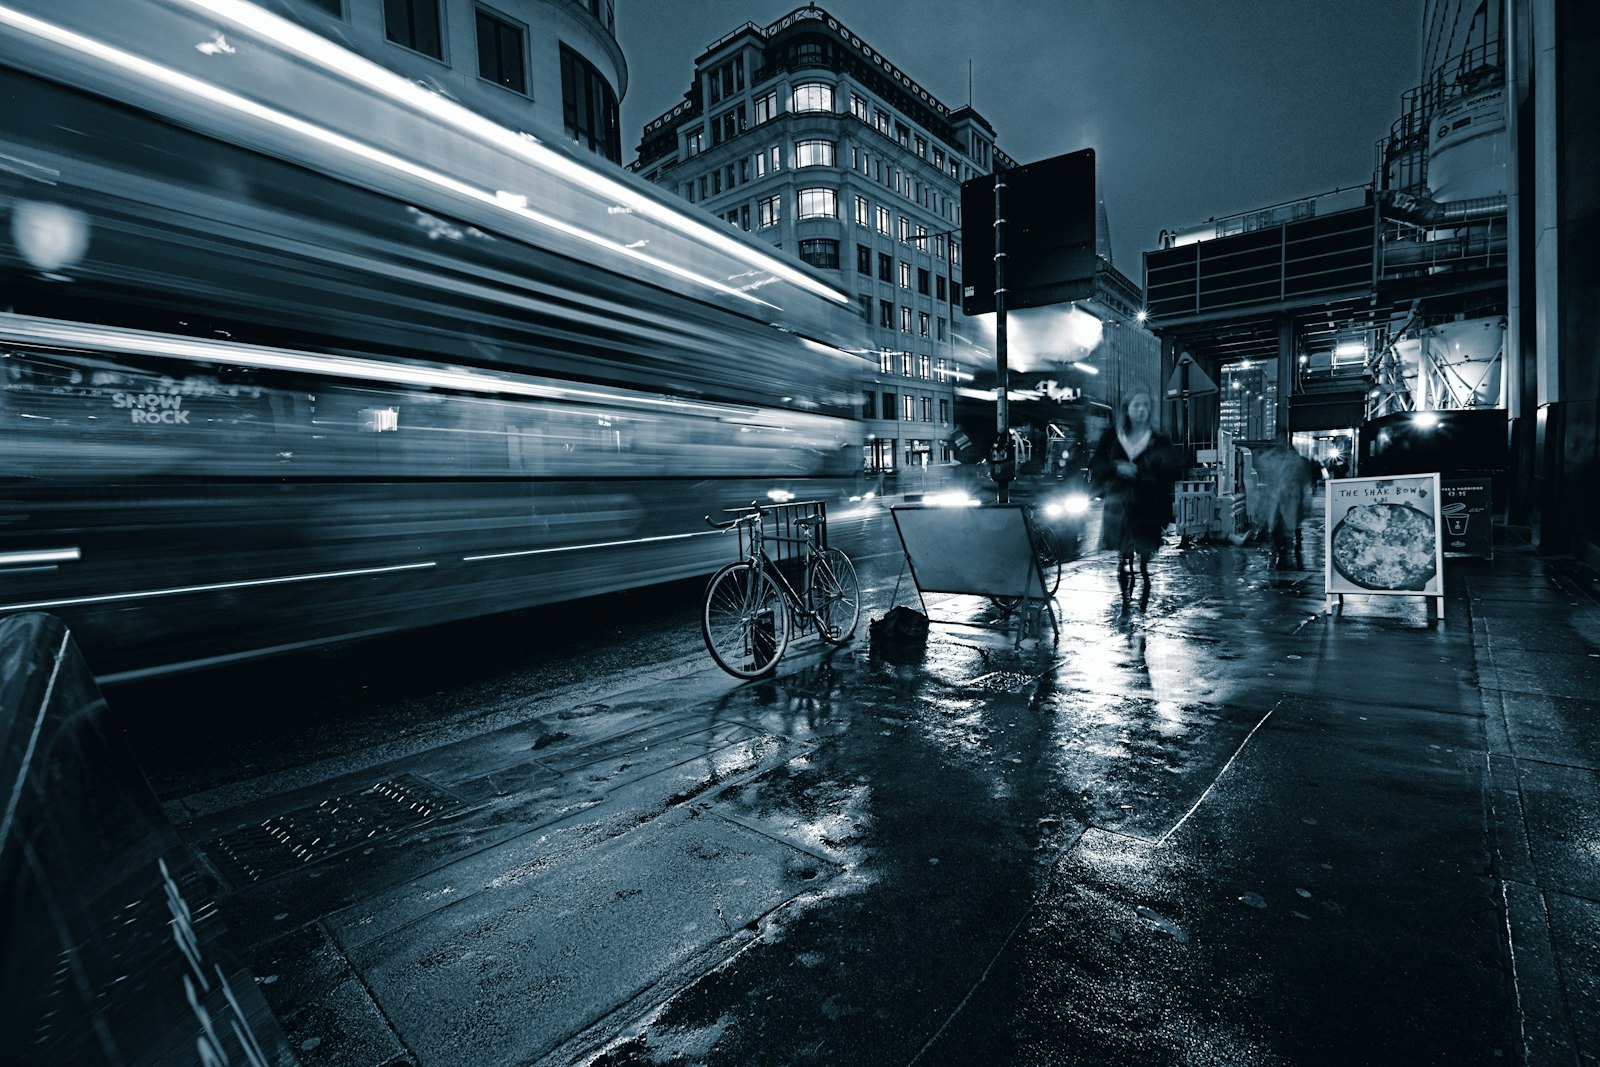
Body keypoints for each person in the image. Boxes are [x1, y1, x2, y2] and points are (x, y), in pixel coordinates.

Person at [1090, 391, 1182, 593]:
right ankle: (1125, 597)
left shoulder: (1159, 440)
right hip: (1119, 505)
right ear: (1127, 409)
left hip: (1147, 505)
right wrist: (1115, 468)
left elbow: (1172, 469)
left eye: (1146, 405)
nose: (1142, 410)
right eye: (1136, 405)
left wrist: (1143, 472)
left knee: (1144, 556)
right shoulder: (1113, 436)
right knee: (1123, 555)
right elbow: (1097, 463)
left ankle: (1145, 589)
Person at [1250, 432, 1320, 566]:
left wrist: (1306, 499)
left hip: (1291, 497)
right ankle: (1280, 549)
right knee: (1276, 526)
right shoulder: (1268, 459)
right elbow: (1264, 479)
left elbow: (1304, 481)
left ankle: (1289, 545)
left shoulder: (1296, 460)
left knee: (1290, 524)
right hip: (1273, 498)